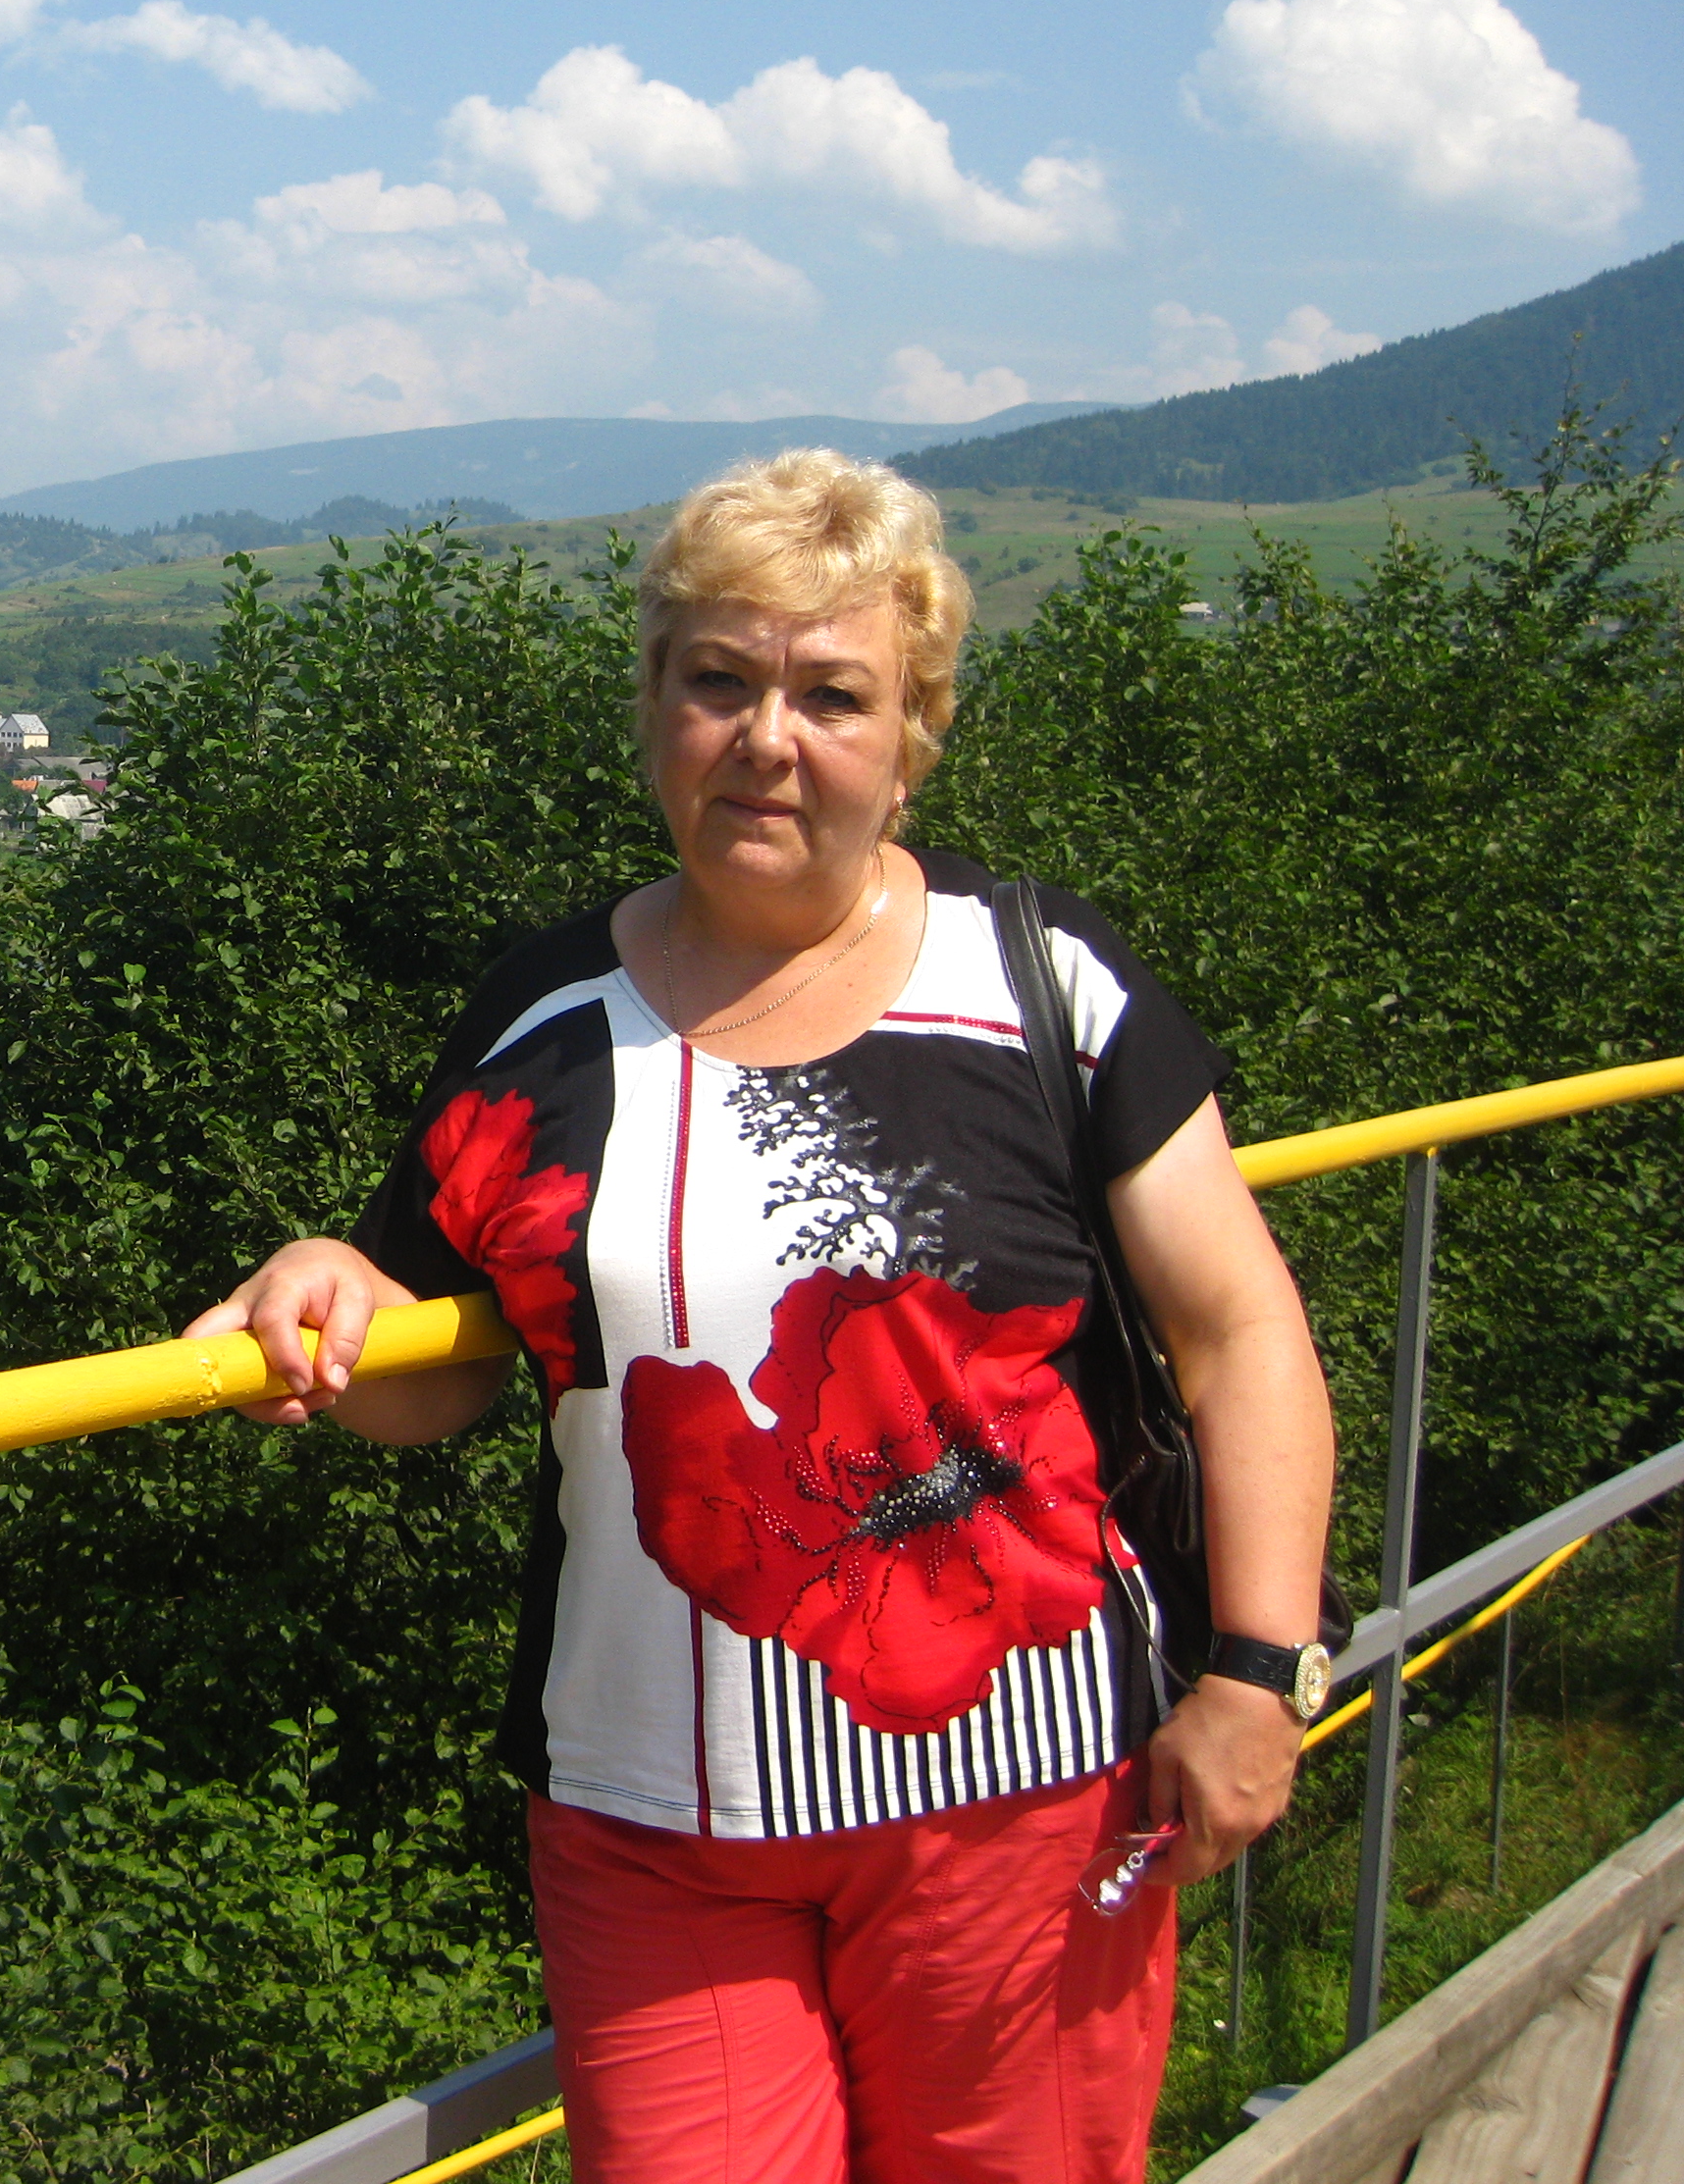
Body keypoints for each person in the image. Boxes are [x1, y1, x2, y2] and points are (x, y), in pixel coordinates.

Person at [184, 451, 1335, 2184]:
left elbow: (1241, 1333)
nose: (766, 739)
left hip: (1024, 1807)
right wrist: (325, 1296)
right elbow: (441, 1361)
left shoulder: (1043, 985)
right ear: (654, 704)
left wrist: (1254, 1673)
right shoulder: (545, 1017)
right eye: (718, 680)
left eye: (833, 695)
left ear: (914, 734)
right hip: (654, 1820)